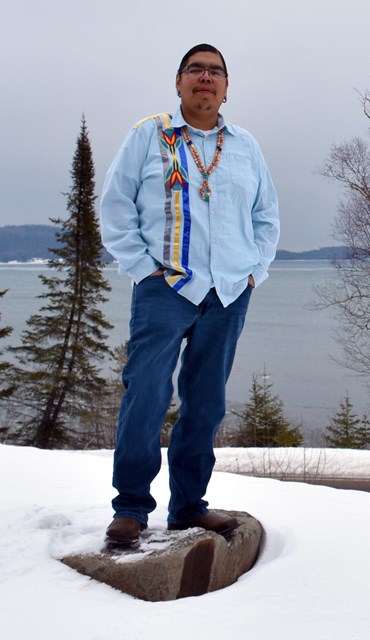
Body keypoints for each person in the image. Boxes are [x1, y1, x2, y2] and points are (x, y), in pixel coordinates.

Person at [100, 43, 279, 545]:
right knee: (148, 393)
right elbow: (115, 207)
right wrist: (142, 270)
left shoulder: (245, 146)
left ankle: (188, 506)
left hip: (227, 292)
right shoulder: (147, 135)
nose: (206, 77)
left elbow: (266, 217)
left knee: (205, 402)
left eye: (215, 71)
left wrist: (252, 274)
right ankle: (131, 507)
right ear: (178, 82)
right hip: (165, 286)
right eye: (195, 69)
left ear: (226, 88)